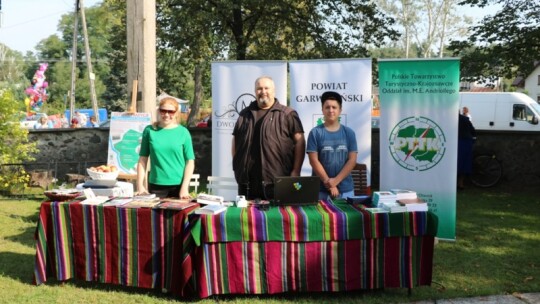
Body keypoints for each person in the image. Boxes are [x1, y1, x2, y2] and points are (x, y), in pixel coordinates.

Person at [232, 76, 305, 200]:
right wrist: (238, 166)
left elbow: (300, 141)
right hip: (248, 184)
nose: (263, 91)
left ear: (274, 90)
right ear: (255, 91)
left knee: (279, 218)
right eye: (259, 88)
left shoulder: (287, 114)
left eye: (267, 88)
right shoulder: (245, 114)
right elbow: (235, 142)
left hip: (278, 183)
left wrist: (296, 170)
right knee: (247, 219)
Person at [136, 97, 195, 198]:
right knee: (156, 214)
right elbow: (143, 159)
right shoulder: (149, 131)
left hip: (179, 186)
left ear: (176, 113)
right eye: (163, 111)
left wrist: (184, 187)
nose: (167, 115)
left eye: (170, 111)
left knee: (179, 214)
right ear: (159, 111)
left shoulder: (183, 133)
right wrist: (140, 186)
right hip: (156, 185)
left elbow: (190, 161)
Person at [307, 91, 358, 201]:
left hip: (346, 190)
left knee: (348, 218)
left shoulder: (349, 133)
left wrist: (335, 181)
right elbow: (313, 161)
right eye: (327, 107)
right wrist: (329, 183)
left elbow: (352, 160)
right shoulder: (315, 133)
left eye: (334, 107)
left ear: (340, 110)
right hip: (320, 191)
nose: (331, 110)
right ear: (322, 110)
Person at [457, 111, 476, 190]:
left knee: (457, 163)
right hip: (467, 141)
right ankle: (460, 183)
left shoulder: (451, 119)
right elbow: (473, 131)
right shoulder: (465, 119)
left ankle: (456, 183)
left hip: (459, 142)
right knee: (465, 163)